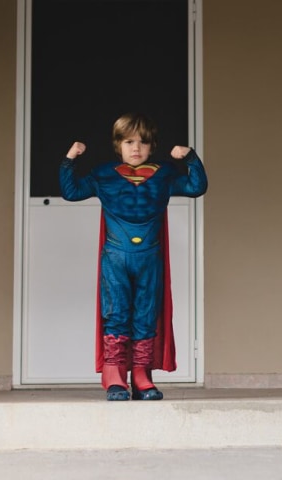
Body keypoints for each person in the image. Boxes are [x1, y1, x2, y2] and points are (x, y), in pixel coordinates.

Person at [59, 112, 208, 401]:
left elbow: (196, 187)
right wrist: (69, 159)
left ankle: (141, 375)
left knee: (145, 314)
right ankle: (114, 376)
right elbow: (71, 192)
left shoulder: (163, 174)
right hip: (116, 256)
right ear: (118, 145)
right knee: (116, 313)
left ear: (152, 146)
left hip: (149, 257)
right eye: (129, 142)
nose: (136, 148)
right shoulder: (104, 175)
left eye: (142, 142)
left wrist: (190, 157)